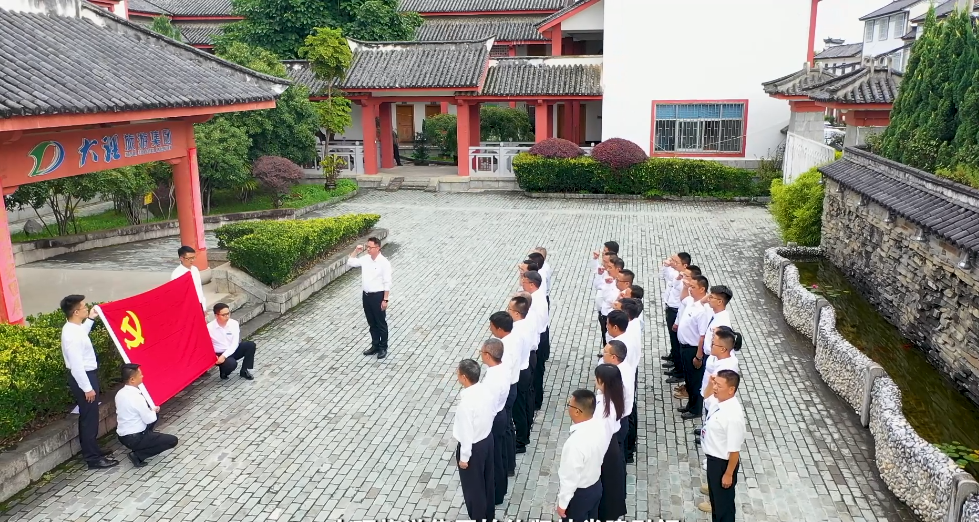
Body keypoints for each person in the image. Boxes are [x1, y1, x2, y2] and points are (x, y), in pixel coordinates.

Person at [60, 295, 119, 469]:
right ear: (76, 312)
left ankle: (92, 450)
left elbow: (82, 337)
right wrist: (87, 388)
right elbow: (77, 366)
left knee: (89, 417)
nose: (87, 308)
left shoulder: (75, 328)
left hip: (87, 376)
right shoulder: (71, 335)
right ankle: (93, 459)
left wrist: (91, 319)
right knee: (89, 419)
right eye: (84, 307)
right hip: (84, 378)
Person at [699, 370, 746, 520]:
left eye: (719, 386)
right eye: (715, 384)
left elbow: (734, 450)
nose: (715, 388)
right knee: (716, 503)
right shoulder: (720, 401)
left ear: (731, 389)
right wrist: (710, 382)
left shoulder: (732, 416)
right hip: (713, 461)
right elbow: (706, 397)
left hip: (722, 465)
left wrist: (728, 474)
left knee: (723, 507)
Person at [453, 359, 496, 522]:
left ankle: (478, 517)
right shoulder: (486, 391)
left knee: (473, 488)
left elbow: (466, 433)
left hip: (473, 447)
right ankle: (488, 515)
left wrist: (464, 458)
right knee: (487, 481)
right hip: (487, 440)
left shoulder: (465, 405)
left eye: (458, 373)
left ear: (464, 377)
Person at [556, 389, 606, 522]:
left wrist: (562, 503)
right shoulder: (600, 427)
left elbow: (569, 477)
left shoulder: (574, 443)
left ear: (577, 411)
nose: (568, 407)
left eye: (569, 404)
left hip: (579, 496)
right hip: (596, 486)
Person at [115, 364, 178, 467]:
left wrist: (152, 411)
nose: (142, 376)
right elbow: (149, 419)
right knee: (172, 440)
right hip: (136, 437)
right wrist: (153, 411)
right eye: (140, 375)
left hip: (123, 436)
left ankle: (144, 443)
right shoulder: (136, 397)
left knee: (154, 414)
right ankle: (138, 455)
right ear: (132, 380)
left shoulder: (120, 393)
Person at [687, 285, 734, 419]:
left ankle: (707, 422)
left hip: (712, 357)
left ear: (720, 302)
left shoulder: (723, 323)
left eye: (711, 297)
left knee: (711, 398)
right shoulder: (715, 313)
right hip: (710, 356)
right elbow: (700, 304)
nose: (708, 299)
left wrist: (701, 356)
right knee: (704, 390)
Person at [347, 237, 392, 359]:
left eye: (370, 247)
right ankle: (375, 345)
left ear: (378, 248)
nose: (368, 249)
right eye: (367, 247)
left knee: (380, 323)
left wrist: (385, 299)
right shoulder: (365, 259)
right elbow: (350, 262)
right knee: (371, 322)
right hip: (366, 296)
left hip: (378, 296)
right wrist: (356, 251)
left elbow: (387, 282)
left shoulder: (384, 263)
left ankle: (383, 347)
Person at [697, 327, 742, 446]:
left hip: (715, 400)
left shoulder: (726, 368)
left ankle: (708, 437)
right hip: (709, 394)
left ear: (723, 349)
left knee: (712, 418)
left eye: (713, 344)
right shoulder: (718, 357)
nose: (711, 345)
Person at [479, 338, 511, 505]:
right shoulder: (501, 368)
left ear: (488, 355)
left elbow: (489, 406)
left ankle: (497, 493)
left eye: (482, 351)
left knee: (495, 457)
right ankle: (501, 488)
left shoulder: (492, 379)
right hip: (501, 413)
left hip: (494, 417)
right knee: (500, 454)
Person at [594, 364, 627, 520]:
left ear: (602, 382)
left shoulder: (604, 408)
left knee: (607, 482)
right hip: (611, 443)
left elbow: (603, 433)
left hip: (605, 447)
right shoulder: (615, 396)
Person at [489, 311, 519, 477]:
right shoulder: (513, 339)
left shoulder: (505, 348)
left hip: (507, 390)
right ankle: (509, 463)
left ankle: (507, 465)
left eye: (492, 326)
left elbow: (503, 375)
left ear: (499, 329)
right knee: (508, 427)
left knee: (505, 428)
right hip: (511, 386)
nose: (490, 329)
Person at [507, 295, 536, 453]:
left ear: (517, 313)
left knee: (518, 409)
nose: (508, 311)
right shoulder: (527, 323)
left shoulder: (516, 332)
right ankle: (525, 433)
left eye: (510, 309)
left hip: (520, 370)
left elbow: (513, 357)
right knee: (525, 403)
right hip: (528, 364)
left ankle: (521, 440)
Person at [676, 275, 710, 407]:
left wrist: (698, 356)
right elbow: (683, 298)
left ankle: (695, 408)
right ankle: (690, 405)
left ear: (702, 289)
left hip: (693, 349)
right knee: (689, 378)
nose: (690, 289)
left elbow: (702, 336)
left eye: (693, 287)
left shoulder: (703, 310)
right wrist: (685, 287)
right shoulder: (692, 301)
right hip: (684, 346)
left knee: (695, 381)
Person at [520, 271, 549, 411]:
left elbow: (534, 327)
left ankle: (536, 401)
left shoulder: (534, 302)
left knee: (536, 374)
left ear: (532, 284)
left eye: (524, 281)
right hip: (540, 337)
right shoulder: (536, 296)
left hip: (537, 340)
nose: (522, 283)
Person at [207, 303, 256, 380]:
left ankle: (244, 370)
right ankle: (224, 372)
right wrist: (213, 356)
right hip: (219, 353)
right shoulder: (209, 328)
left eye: (228, 313)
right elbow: (206, 345)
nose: (227, 317)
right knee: (232, 364)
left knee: (250, 345)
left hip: (232, 350)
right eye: (224, 315)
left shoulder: (234, 323)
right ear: (216, 315)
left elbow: (235, 343)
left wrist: (224, 356)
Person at [601, 339, 633, 460]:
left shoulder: (618, 376)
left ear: (613, 357)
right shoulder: (625, 367)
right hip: (621, 419)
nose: (602, 354)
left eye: (605, 352)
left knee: (616, 458)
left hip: (617, 421)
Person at [660, 252, 690, 372]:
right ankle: (674, 357)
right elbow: (662, 276)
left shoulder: (686, 280)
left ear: (685, 265)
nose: (673, 263)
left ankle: (679, 368)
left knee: (676, 338)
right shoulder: (675, 273)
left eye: (676, 262)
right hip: (670, 306)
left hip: (676, 310)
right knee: (672, 337)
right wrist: (666, 266)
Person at [172, 245, 206, 313]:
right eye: (189, 258)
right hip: (187, 307)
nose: (192, 260)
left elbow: (199, 288)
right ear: (181, 258)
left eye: (193, 257)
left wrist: (204, 307)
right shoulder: (176, 274)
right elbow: (177, 295)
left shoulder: (195, 269)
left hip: (199, 304)